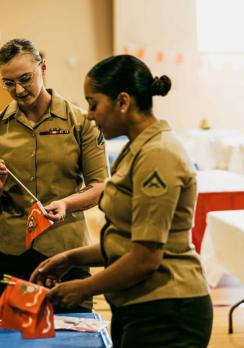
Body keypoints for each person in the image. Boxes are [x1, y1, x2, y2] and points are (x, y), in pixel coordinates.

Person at [31, 55, 213, 347]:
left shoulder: (158, 154)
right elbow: (125, 240)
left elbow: (144, 258)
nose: (89, 115)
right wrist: (71, 258)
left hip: (169, 308)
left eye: (94, 104)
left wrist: (83, 287)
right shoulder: (135, 150)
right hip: (140, 305)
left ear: (123, 102)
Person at [0, 38, 108, 311]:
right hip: (6, 250)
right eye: (9, 83)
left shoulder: (79, 121)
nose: (19, 90)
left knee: (72, 334)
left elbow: (100, 186)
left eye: (25, 79)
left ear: (43, 68)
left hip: (65, 250)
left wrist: (66, 203)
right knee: (4, 336)